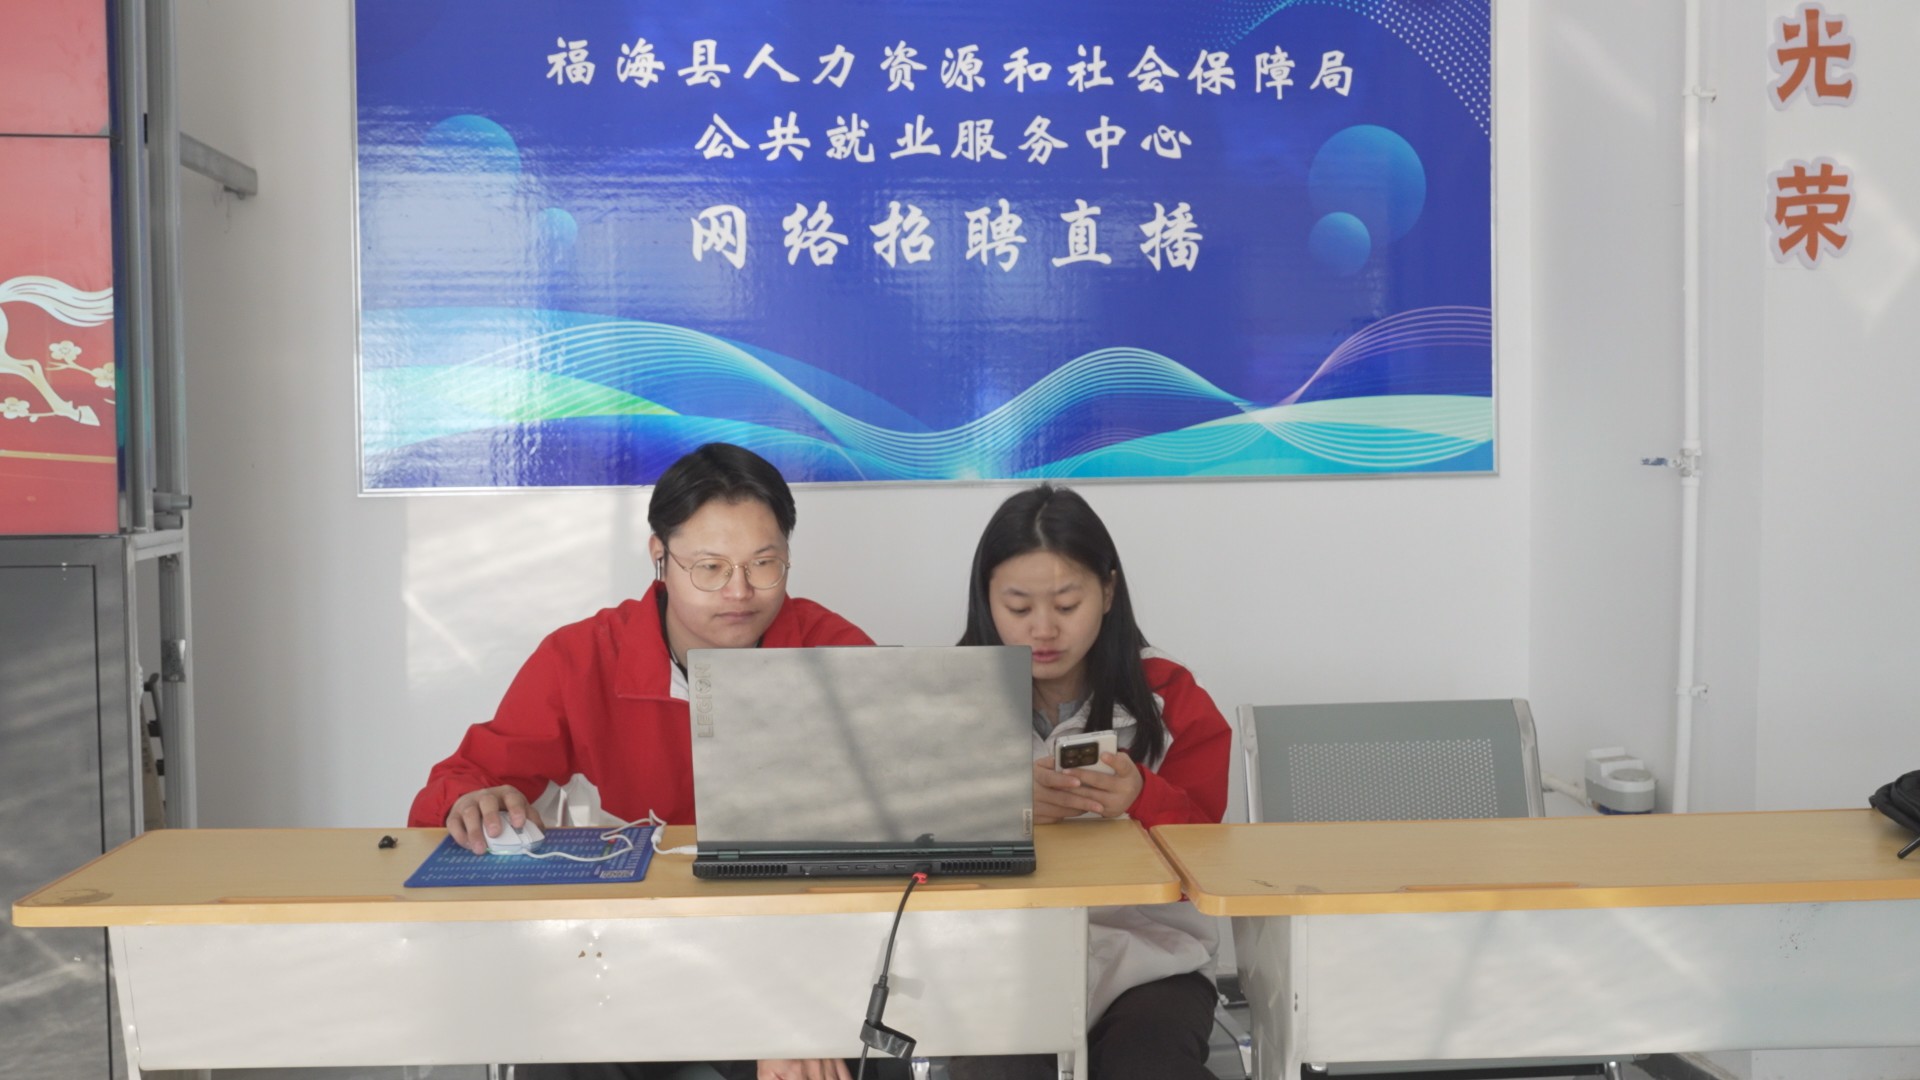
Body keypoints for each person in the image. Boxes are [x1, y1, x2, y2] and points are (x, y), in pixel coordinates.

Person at [408, 442, 880, 1080]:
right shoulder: (584, 658)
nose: (739, 592)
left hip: (795, 939)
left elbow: (908, 822)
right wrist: (471, 801)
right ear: (660, 556)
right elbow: (461, 781)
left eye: (764, 564)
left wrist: (793, 1002)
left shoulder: (836, 654)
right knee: (559, 1053)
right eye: (710, 568)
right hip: (632, 954)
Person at [956, 485, 1231, 1080]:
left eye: (1066, 604)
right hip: (998, 960)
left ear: (1107, 592)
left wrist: (1142, 799)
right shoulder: (948, 700)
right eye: (1019, 608)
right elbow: (904, 845)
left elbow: (1210, 855)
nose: (1043, 630)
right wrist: (1004, 808)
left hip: (1152, 960)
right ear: (986, 600)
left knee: (1149, 1067)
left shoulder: (1170, 696)